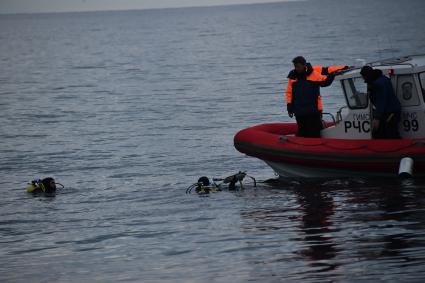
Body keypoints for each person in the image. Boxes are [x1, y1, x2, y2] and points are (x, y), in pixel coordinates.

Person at [286, 56, 348, 138]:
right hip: (299, 111)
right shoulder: (293, 76)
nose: (296, 68)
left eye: (298, 66)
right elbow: (289, 93)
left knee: (314, 134)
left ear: (304, 65)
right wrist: (289, 107)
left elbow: (326, 77)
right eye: (295, 66)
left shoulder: (314, 73)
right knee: (302, 133)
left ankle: (315, 148)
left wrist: (341, 69)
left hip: (313, 111)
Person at [360, 66, 401, 139]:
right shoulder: (383, 79)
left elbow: (381, 100)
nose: (363, 79)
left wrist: (377, 118)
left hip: (391, 112)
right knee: (383, 132)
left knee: (389, 133)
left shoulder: (378, 84)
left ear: (367, 75)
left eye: (363, 77)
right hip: (390, 111)